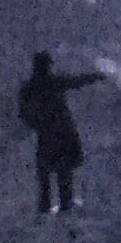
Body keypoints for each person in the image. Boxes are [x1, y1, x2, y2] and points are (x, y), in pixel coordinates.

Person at [16, 52, 106, 216]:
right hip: (61, 134)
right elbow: (76, 81)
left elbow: (23, 113)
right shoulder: (53, 83)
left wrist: (37, 124)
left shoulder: (30, 88)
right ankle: (64, 207)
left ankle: (46, 209)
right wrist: (97, 76)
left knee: (46, 177)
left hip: (46, 135)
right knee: (63, 175)